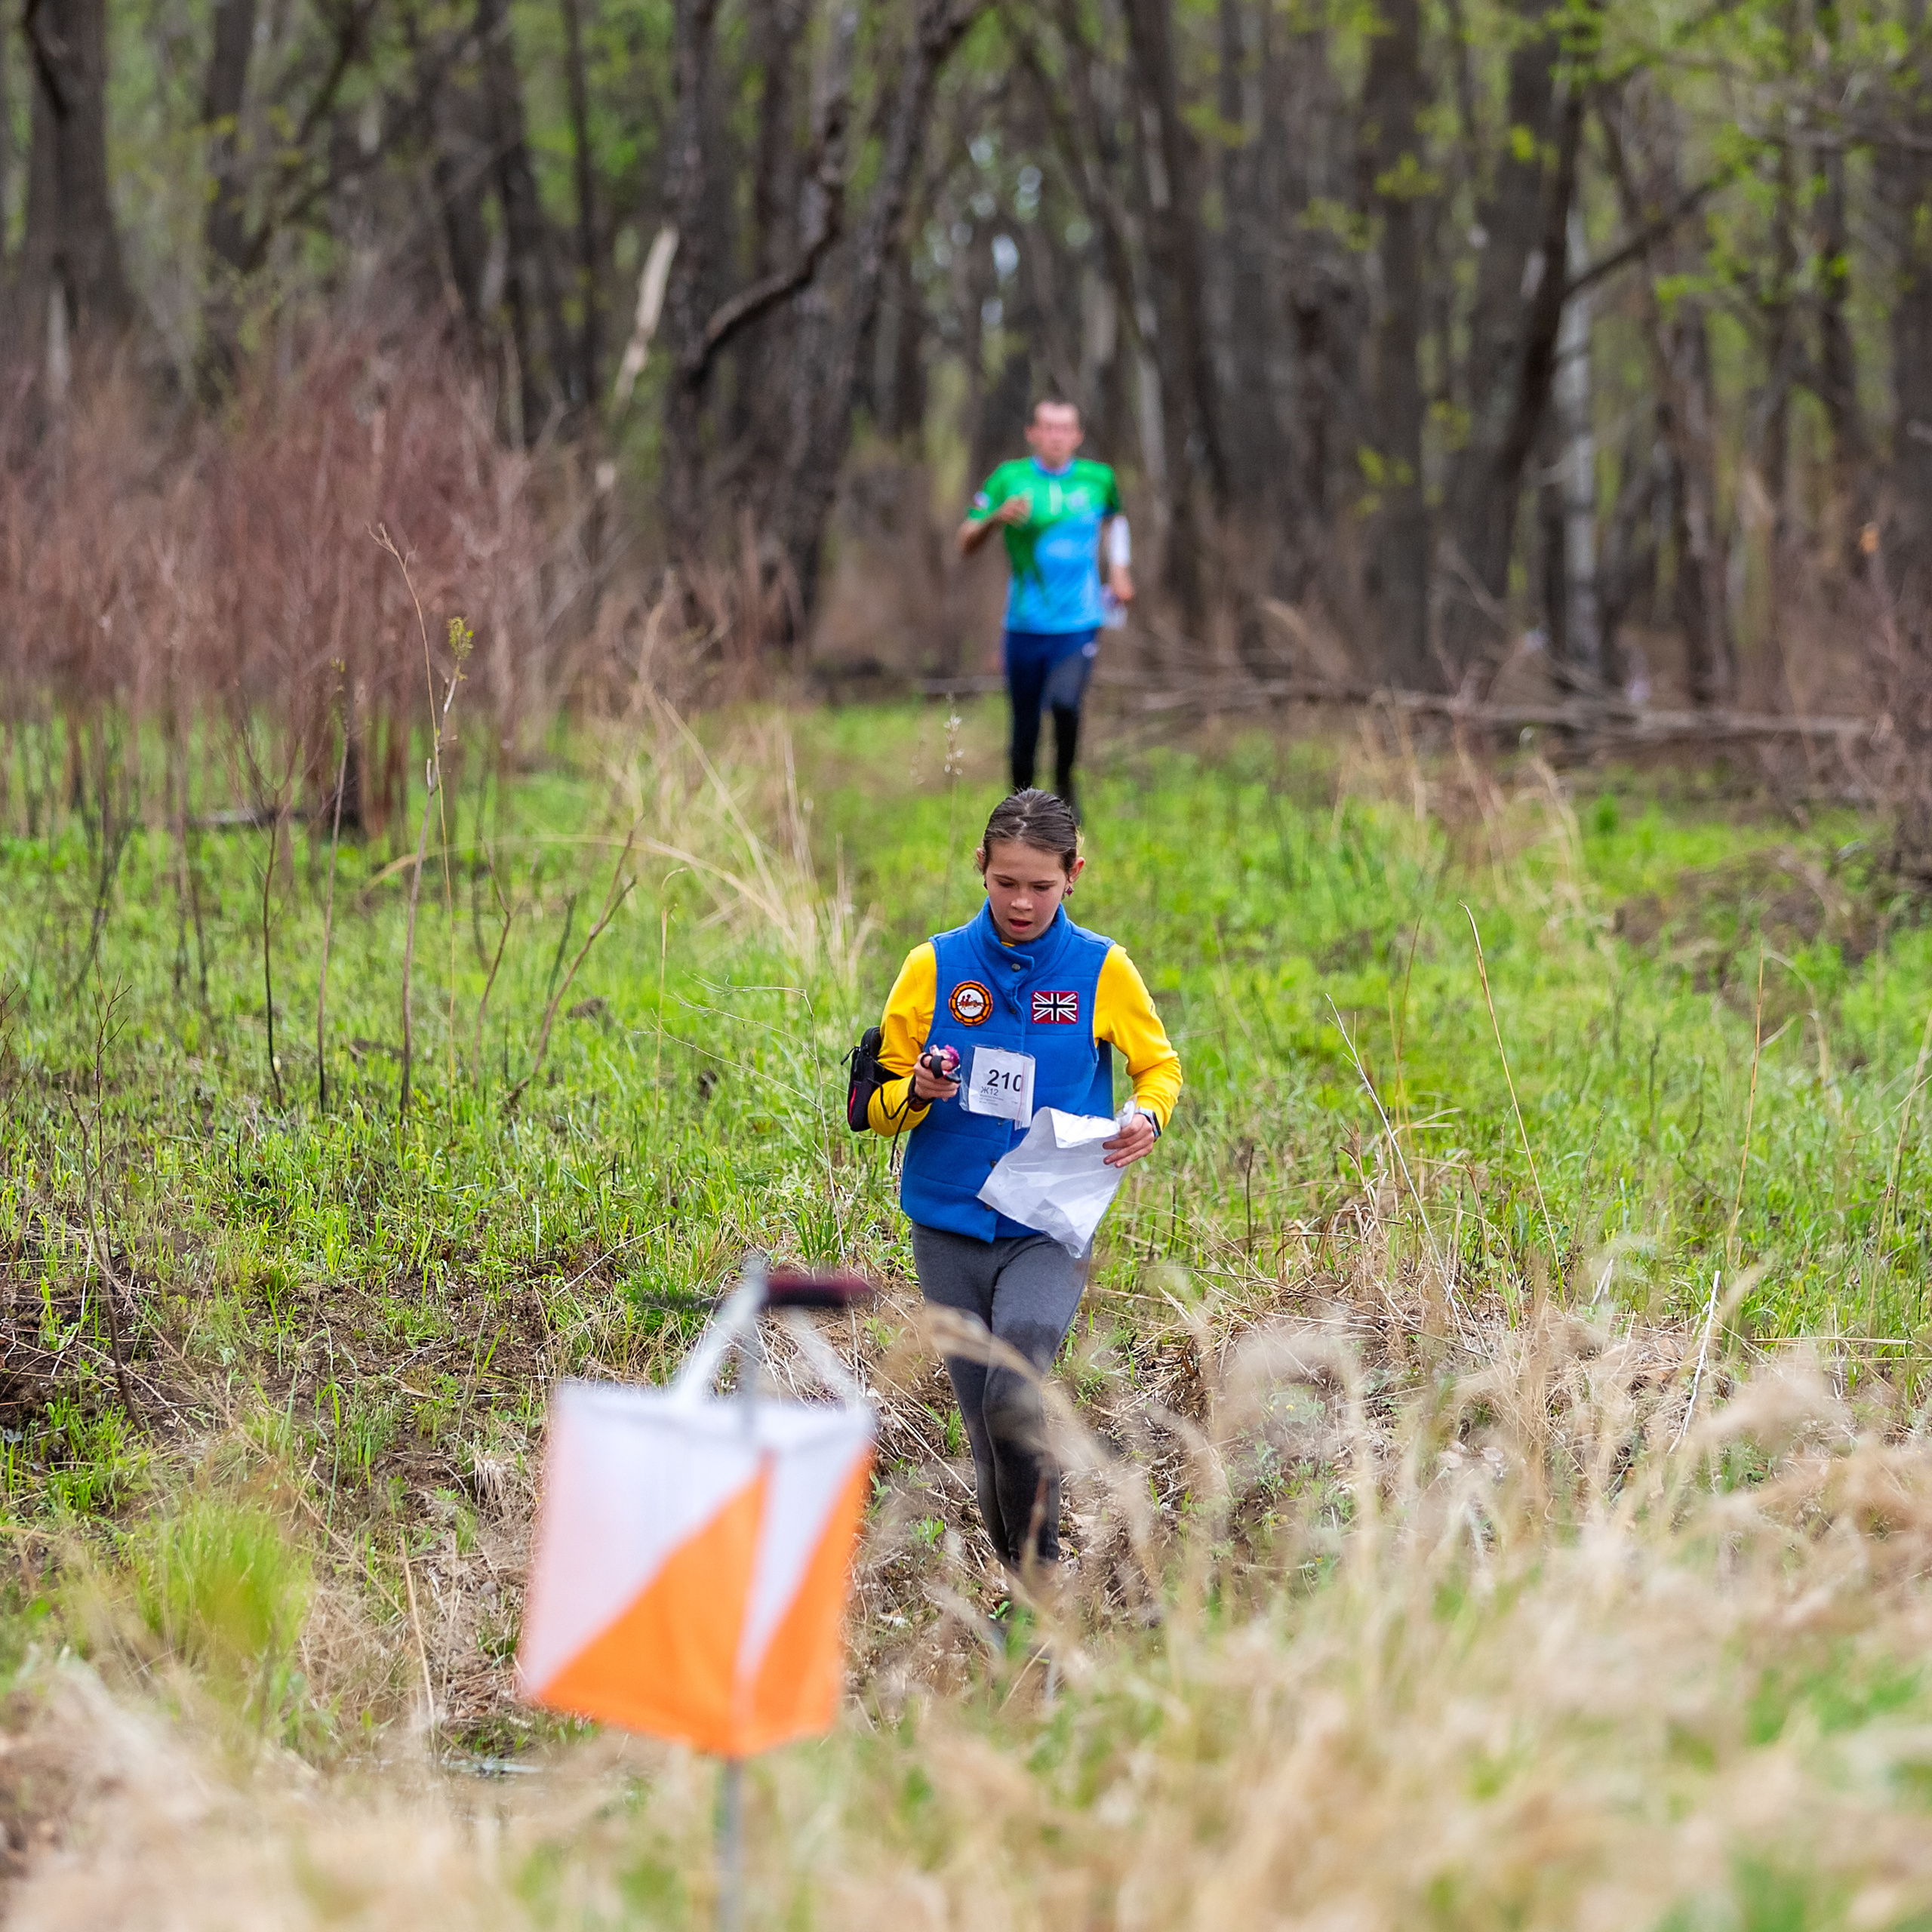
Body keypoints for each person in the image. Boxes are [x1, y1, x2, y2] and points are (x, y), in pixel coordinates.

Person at [863, 788, 1181, 1580]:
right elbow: (874, 1106)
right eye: (1006, 881)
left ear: (1073, 875)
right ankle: (1023, 1586)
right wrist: (918, 1093)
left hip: (1048, 1223)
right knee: (985, 1425)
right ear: (980, 868)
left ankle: (1045, 1579)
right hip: (948, 1226)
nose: (1021, 901)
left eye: (1040, 884)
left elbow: (1158, 1065)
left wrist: (1148, 1114)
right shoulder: (932, 966)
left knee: (1015, 1383)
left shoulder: (1103, 969)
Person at [958, 398, 1133, 820]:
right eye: (1047, 428)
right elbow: (965, 539)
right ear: (1032, 433)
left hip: (1079, 621)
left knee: (1067, 704)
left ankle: (1065, 790)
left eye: (1064, 428)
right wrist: (994, 519)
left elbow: (1116, 521)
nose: (1056, 436)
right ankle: (1019, 812)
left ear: (1077, 436)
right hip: (1024, 623)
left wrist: (1121, 570)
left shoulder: (1098, 479)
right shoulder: (1009, 478)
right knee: (1024, 725)